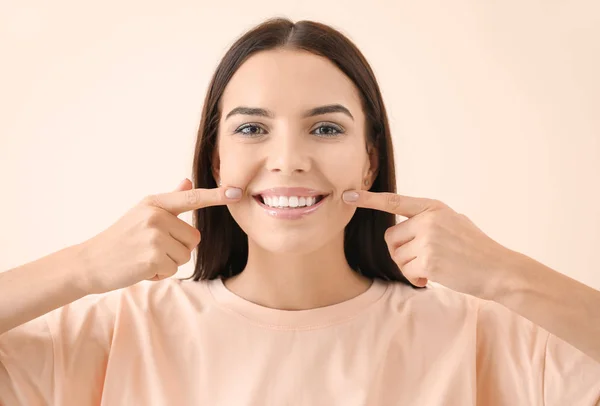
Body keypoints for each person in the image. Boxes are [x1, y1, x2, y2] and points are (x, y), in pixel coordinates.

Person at [1, 17, 599, 406]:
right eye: (253, 128)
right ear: (216, 159)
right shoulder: (116, 333)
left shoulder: (476, 335)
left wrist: (502, 275)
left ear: (369, 161)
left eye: (325, 127)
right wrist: (82, 267)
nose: (288, 159)